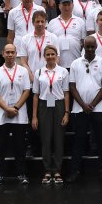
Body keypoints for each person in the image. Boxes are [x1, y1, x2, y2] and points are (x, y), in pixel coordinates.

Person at [68, 34, 102, 182]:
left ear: (96, 47)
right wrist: (83, 105)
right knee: (78, 141)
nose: (90, 49)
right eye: (88, 46)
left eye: (92, 46)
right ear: (83, 47)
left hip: (98, 109)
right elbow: (72, 87)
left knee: (101, 140)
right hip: (79, 110)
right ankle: (74, 171)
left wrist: (92, 104)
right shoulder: (75, 64)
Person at [0, 43, 32, 186]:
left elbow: (27, 91)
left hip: (20, 116)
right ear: (3, 54)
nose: (9, 55)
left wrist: (16, 107)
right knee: (1, 147)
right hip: (2, 116)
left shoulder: (23, 71)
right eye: (7, 52)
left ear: (16, 54)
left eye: (12, 52)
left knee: (20, 147)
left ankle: (21, 174)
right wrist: (7, 109)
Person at [30, 43, 70, 184]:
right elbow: (35, 95)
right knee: (46, 139)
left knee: (59, 139)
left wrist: (66, 112)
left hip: (59, 105)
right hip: (44, 105)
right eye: (48, 54)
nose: (51, 57)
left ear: (56, 56)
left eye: (53, 54)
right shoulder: (39, 73)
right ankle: (47, 171)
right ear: (44, 57)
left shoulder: (63, 72)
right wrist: (34, 116)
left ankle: (57, 171)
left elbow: (66, 93)